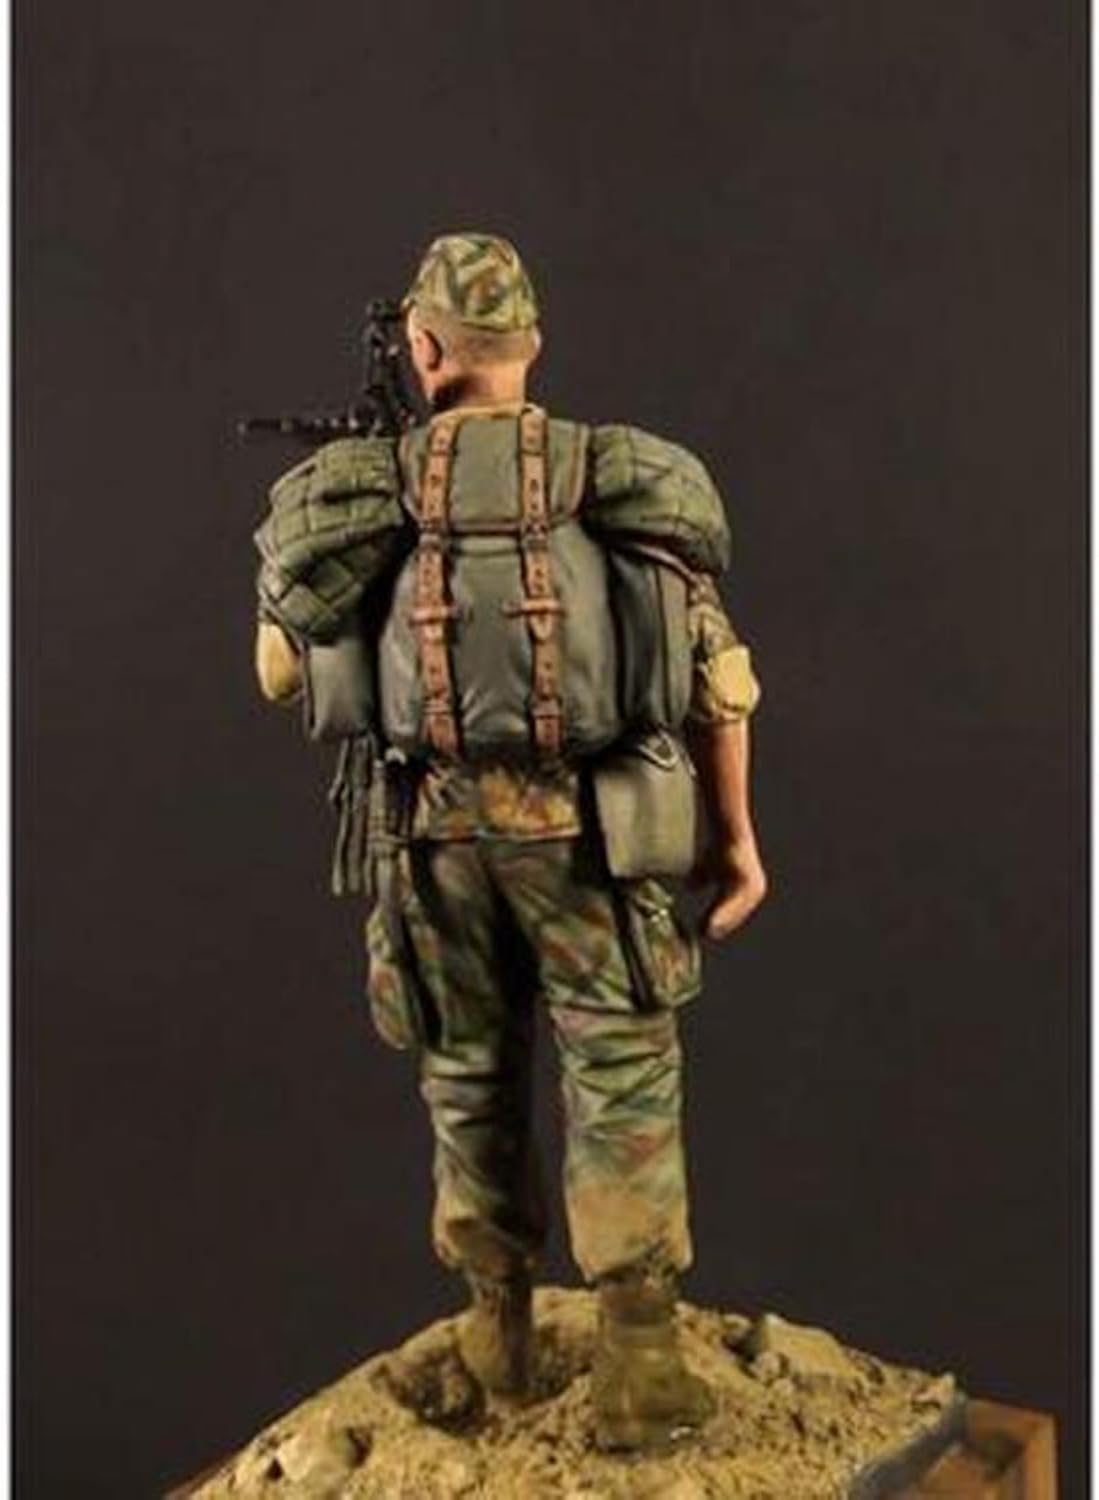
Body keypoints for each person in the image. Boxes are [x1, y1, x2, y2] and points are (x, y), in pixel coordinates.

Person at [254, 232, 767, 1452]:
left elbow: (278, 671)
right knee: (622, 1075)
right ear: (532, 343)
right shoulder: (622, 483)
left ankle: (497, 1334)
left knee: (467, 1074)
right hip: (594, 841)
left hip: (434, 848)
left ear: (423, 349)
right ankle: (640, 1363)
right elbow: (719, 683)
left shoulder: (360, 496)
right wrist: (735, 841)